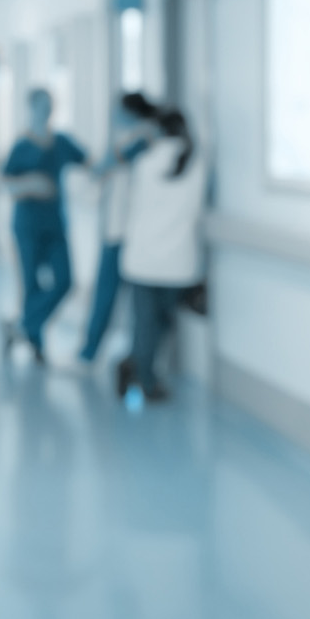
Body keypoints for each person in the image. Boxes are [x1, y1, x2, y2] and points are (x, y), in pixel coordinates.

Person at [118, 105, 207, 403]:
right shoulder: (195, 164)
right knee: (162, 324)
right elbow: (196, 211)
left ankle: (139, 374)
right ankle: (143, 375)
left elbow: (133, 206)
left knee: (144, 323)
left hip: (142, 259)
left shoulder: (144, 161)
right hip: (177, 263)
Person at [1, 87, 87, 364]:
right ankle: (36, 344)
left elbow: (91, 162)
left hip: (55, 225)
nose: (46, 111)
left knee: (65, 281)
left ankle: (21, 328)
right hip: (26, 225)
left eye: (50, 105)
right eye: (40, 105)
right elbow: (5, 183)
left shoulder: (61, 142)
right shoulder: (21, 146)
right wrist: (31, 184)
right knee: (31, 286)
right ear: (30, 108)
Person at [78, 93, 158, 365]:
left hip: (126, 233)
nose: (112, 116)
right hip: (117, 230)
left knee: (109, 296)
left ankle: (91, 354)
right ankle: (93, 352)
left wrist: (103, 165)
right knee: (110, 297)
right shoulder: (128, 139)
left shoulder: (144, 137)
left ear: (129, 111)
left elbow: (103, 167)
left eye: (116, 110)